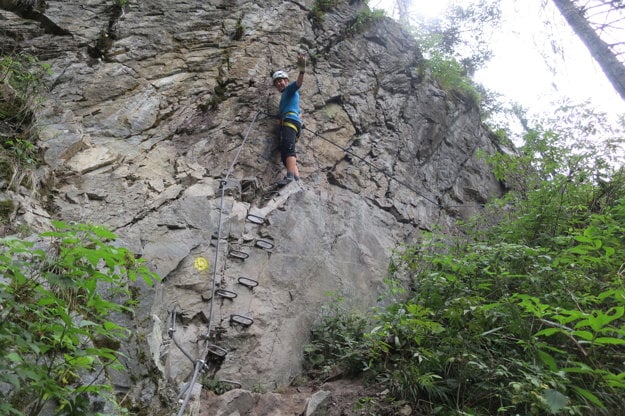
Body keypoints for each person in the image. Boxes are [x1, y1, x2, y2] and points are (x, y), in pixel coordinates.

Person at [272, 54, 306, 186]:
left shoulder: (290, 90)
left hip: (290, 122)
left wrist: (302, 70)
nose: (279, 83)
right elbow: (299, 111)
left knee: (288, 147)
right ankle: (296, 180)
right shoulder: (284, 98)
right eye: (277, 82)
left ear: (286, 81)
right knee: (285, 152)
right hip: (289, 122)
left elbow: (298, 83)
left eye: (281, 80)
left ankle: (290, 178)